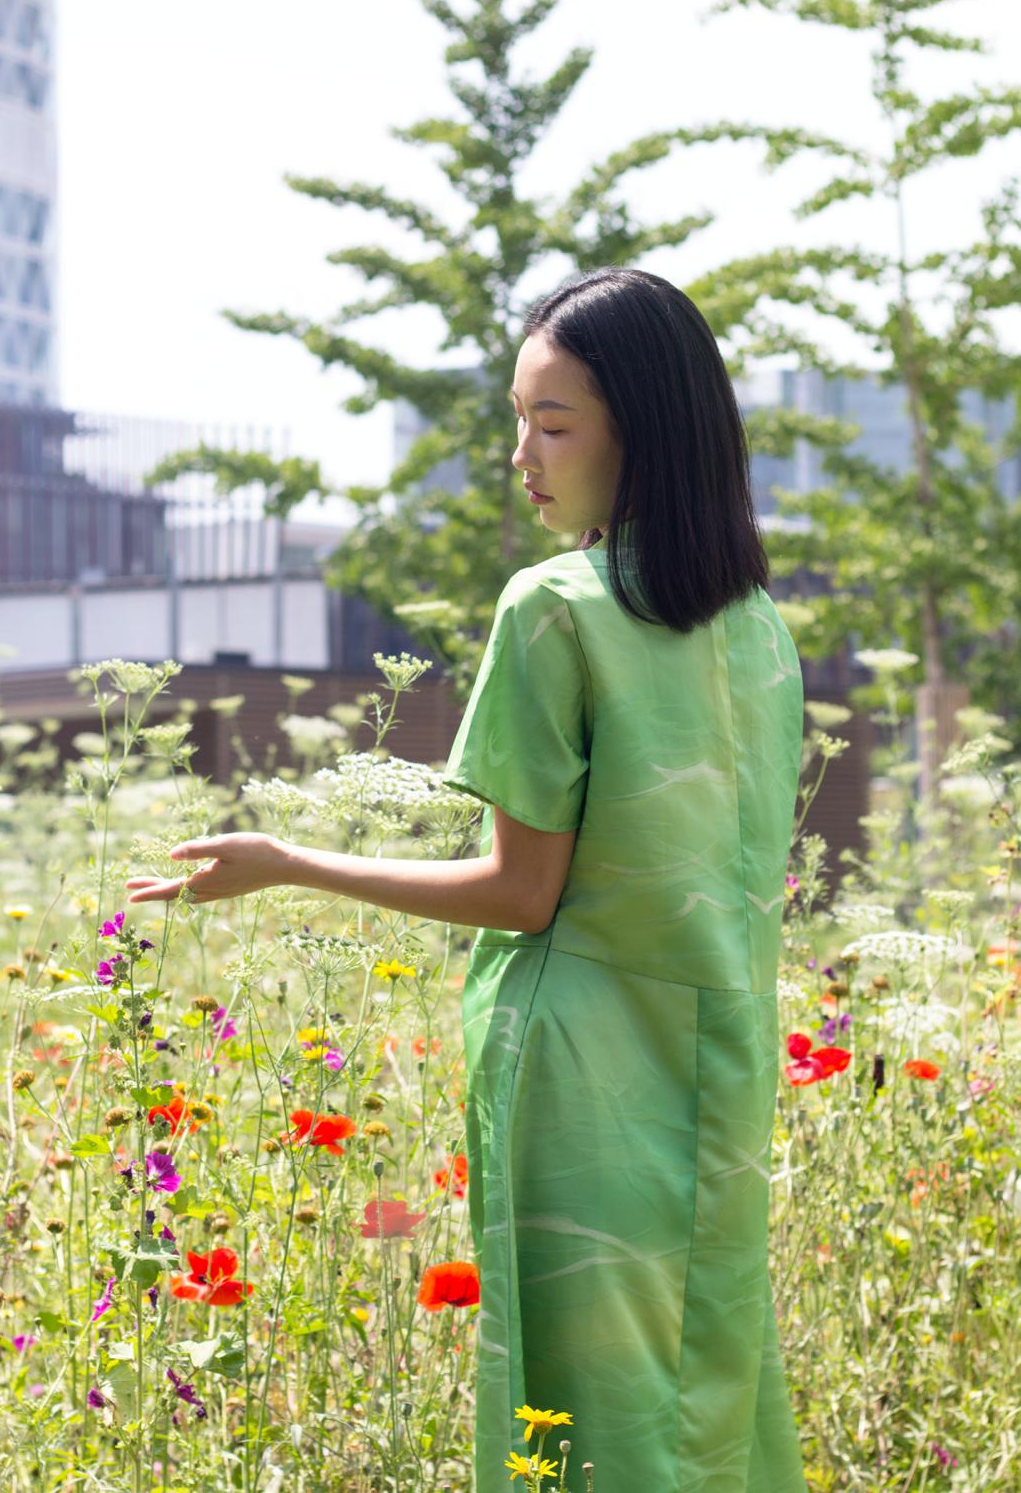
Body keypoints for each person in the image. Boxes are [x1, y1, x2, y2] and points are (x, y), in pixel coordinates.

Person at [125, 265, 809, 1493]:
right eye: (517, 421)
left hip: (587, 1079)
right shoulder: (757, 626)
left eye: (551, 426)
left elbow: (520, 893)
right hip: (721, 1073)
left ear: (638, 436)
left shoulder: (555, 609)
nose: (521, 457)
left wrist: (286, 864)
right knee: (712, 1394)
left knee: (580, 1414)